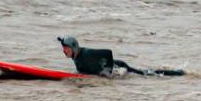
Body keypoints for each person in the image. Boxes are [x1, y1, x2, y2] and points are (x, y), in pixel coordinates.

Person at [57, 36, 185, 77]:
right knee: (145, 73)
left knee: (146, 74)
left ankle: (177, 73)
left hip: (120, 67)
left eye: (66, 49)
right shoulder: (76, 57)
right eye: (63, 49)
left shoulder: (86, 53)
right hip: (116, 68)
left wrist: (108, 73)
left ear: (73, 47)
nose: (64, 52)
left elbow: (108, 53)